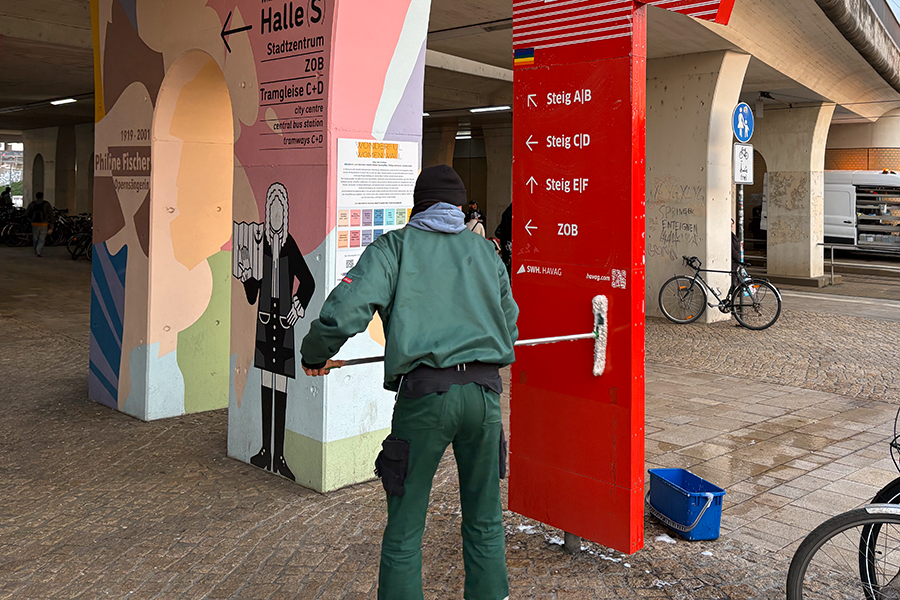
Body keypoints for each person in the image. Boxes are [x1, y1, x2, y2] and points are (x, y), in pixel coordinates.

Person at [300, 164, 518, 600]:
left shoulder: (393, 248)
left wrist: (315, 354)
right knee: (485, 519)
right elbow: (508, 326)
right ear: (460, 208)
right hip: (484, 396)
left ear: (416, 208)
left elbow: (344, 312)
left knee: (405, 526)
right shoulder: (486, 253)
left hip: (425, 399)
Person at [235, 183, 316, 481]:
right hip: (264, 321)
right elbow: (252, 294)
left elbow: (308, 282)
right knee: (266, 381)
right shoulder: (260, 246)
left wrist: (298, 305)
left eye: (281, 210)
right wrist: (246, 276)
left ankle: (279, 455)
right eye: (272, 210)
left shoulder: (289, 245)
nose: (276, 215)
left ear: (286, 213)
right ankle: (265, 451)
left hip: (282, 324)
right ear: (268, 214)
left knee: (279, 383)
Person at [25, 192, 53, 257]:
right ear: (42, 196)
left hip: (34, 223)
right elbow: (51, 214)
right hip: (44, 223)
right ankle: (39, 251)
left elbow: (26, 214)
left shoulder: (32, 204)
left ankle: (35, 250)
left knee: (35, 237)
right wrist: (51, 223)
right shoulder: (46, 204)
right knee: (42, 238)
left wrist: (30, 219)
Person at [494, 203, 512, 276]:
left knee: (507, 262)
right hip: (508, 240)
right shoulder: (510, 214)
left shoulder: (507, 212)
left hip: (505, 241)